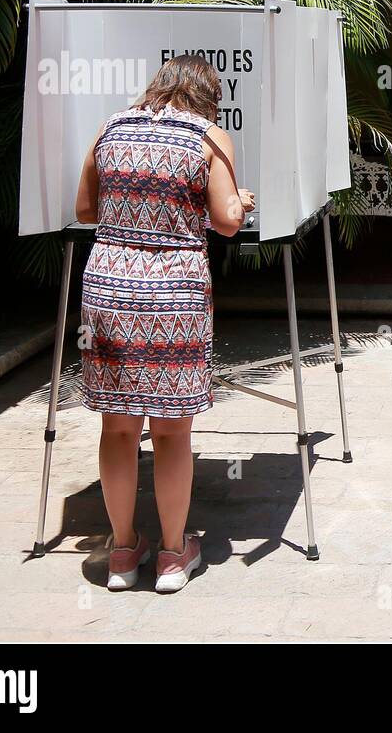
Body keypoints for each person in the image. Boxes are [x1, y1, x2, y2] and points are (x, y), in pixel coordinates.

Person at [74, 54, 255, 593]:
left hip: (109, 288)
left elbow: (85, 210)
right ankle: (174, 556)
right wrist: (240, 202)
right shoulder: (208, 138)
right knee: (172, 431)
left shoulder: (111, 127)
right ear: (208, 96)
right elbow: (226, 221)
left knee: (118, 428)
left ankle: (122, 553)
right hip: (173, 294)